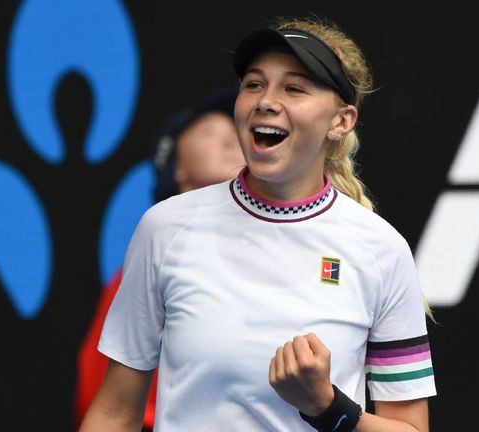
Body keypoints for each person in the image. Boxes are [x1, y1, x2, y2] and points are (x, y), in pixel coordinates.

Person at [80, 16, 436, 432]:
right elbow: (114, 413)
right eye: (253, 84)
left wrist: (327, 406)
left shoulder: (381, 249)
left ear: (341, 122)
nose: (266, 100)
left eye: (294, 88)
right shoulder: (165, 228)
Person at [74, 88, 246, 429]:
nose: (231, 141)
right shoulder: (149, 265)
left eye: (238, 133)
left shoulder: (295, 252)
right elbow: (101, 402)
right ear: (177, 169)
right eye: (211, 132)